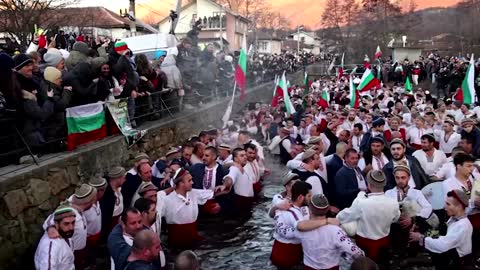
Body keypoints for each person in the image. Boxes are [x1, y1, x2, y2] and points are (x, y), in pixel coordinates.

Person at [337, 170, 400, 262]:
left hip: (364, 245)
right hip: (384, 244)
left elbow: (343, 217)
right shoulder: (393, 203)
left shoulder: (361, 203)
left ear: (369, 185)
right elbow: (395, 218)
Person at [294, 194, 364, 270]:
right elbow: (355, 252)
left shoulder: (303, 227)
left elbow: (297, 229)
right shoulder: (336, 230)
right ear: (327, 209)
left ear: (310, 210)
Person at [409, 190, 473, 270]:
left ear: (459, 206)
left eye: (448, 204)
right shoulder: (453, 219)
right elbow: (441, 233)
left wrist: (420, 238)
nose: (444, 207)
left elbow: (442, 245)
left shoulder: (462, 226)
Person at [163, 168, 217, 249]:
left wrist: (223, 188)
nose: (192, 182)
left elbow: (210, 194)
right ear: (181, 183)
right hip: (177, 244)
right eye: (189, 180)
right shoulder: (167, 200)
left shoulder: (193, 193)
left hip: (194, 240)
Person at [385, 164, 435, 250]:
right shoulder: (388, 193)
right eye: (397, 178)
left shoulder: (417, 193)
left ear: (408, 177)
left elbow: (428, 208)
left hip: (413, 225)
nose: (400, 180)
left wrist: (413, 218)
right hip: (394, 226)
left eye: (403, 177)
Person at [270, 181, 312, 269]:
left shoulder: (283, 206)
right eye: (309, 196)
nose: (310, 199)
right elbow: (301, 227)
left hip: (280, 250)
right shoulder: (293, 212)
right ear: (300, 197)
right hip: (288, 253)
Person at [442, 152, 480, 230]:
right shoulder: (448, 184)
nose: (472, 168)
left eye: (473, 165)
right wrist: (474, 202)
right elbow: (453, 205)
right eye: (469, 166)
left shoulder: (477, 177)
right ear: (459, 166)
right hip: (462, 220)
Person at [34, 205, 76, 270]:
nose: (71, 227)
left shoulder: (65, 233)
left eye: (73, 223)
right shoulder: (51, 247)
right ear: (56, 224)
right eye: (66, 224)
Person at [188, 146, 226, 214]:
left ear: (214, 157)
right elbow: (181, 170)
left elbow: (229, 192)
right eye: (203, 155)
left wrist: (221, 205)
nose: (203, 158)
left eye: (207, 156)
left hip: (214, 206)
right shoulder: (196, 168)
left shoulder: (223, 171)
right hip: (198, 207)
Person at [84, 175, 107, 267]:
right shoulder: (85, 206)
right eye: (103, 190)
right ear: (99, 191)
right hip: (87, 240)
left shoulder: (98, 201)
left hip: (96, 237)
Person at [223, 148, 254, 214]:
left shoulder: (243, 167)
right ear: (235, 159)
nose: (245, 157)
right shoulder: (234, 168)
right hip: (240, 202)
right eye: (242, 156)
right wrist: (228, 182)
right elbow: (230, 176)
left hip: (248, 202)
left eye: (245, 155)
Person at [100, 166, 127, 241]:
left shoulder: (119, 189)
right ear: (118, 178)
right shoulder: (108, 196)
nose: (125, 179)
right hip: (110, 225)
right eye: (123, 177)